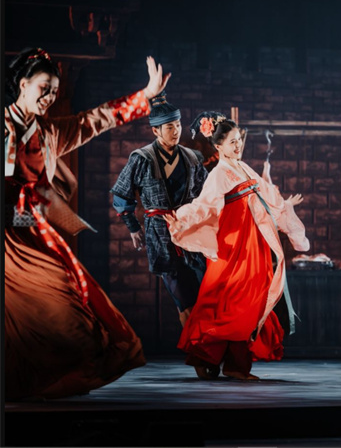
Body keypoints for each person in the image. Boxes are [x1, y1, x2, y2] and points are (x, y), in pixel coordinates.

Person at [4, 48, 168, 400]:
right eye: (44, 88)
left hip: (31, 233)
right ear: (23, 84)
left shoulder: (48, 132)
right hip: (7, 239)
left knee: (71, 313)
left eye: (54, 91)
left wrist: (145, 97)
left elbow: (94, 120)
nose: (49, 97)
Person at [164, 113, 309, 381]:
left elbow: (267, 196)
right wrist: (180, 219)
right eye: (232, 142)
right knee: (227, 300)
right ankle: (210, 359)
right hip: (234, 247)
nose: (238, 145)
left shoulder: (245, 168)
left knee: (251, 299)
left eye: (239, 140)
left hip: (254, 244)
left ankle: (235, 365)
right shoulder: (219, 174)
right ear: (218, 146)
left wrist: (285, 205)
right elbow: (204, 206)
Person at [110, 92, 208, 327]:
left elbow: (207, 195)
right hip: (161, 235)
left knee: (206, 297)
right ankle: (194, 347)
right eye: (169, 127)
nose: (176, 131)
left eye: (178, 125)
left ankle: (206, 346)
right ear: (156, 130)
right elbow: (122, 193)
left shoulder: (193, 158)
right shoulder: (141, 158)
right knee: (185, 303)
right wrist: (133, 228)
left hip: (192, 232)